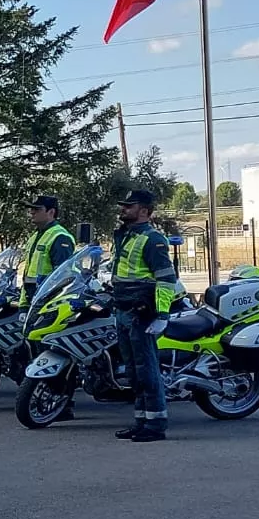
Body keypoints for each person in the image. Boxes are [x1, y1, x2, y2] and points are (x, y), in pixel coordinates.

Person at [112, 190, 179, 443]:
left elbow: (166, 280)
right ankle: (141, 421)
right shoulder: (126, 236)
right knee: (134, 372)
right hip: (124, 311)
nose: (123, 209)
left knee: (147, 370)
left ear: (144, 210)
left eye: (129, 206)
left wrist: (162, 314)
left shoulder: (153, 239)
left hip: (141, 314)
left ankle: (156, 424)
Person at [21, 196, 76, 304]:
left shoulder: (60, 237)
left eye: (37, 209)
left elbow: (62, 276)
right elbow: (28, 275)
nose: (32, 212)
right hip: (33, 299)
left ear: (51, 212)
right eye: (31, 209)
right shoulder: (36, 236)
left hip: (47, 301)